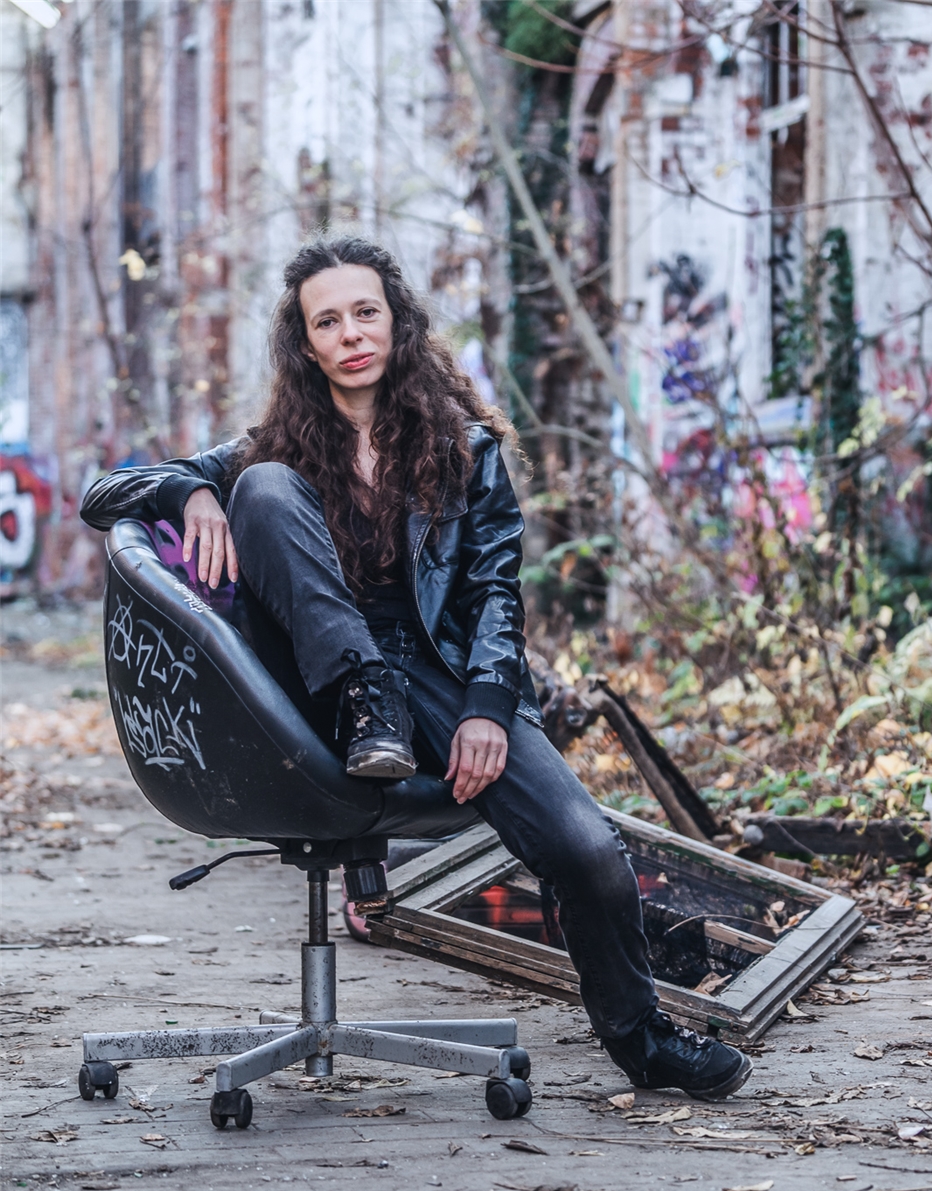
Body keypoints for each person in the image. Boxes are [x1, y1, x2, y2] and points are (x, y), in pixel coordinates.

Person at [81, 234, 751, 1101]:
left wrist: (487, 706)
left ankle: (642, 1040)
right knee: (266, 487)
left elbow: (496, 594)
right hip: (308, 692)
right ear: (305, 344)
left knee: (586, 848)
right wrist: (189, 490)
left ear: (397, 322)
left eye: (366, 312)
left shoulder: (465, 451)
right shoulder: (270, 450)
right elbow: (104, 495)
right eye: (328, 321)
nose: (351, 333)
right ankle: (367, 697)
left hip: (439, 673)